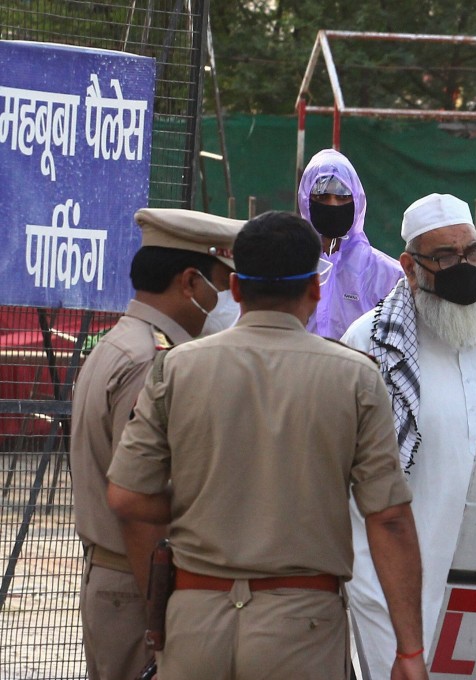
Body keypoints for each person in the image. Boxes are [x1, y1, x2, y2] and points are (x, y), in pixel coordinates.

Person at [105, 210, 429, 680]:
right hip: (303, 628)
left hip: (195, 623)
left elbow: (126, 497)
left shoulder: (176, 367)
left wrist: (206, 503)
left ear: (235, 289)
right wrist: (409, 651)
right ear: (315, 289)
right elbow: (390, 518)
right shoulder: (355, 377)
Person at [70, 207, 243, 680]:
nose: (233, 298)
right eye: (224, 283)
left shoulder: (119, 344)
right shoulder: (153, 362)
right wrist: (161, 626)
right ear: (191, 282)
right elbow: (138, 501)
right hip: (139, 586)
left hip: (121, 581)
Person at [341, 193, 476, 679]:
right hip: (390, 583)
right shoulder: (370, 345)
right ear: (410, 266)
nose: (464, 266)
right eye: (445, 257)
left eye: (472, 253)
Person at [298, 148, 403, 339]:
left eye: (342, 197)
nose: (333, 205)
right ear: (306, 200)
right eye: (322, 197)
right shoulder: (289, 268)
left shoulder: (389, 275)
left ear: (357, 201)